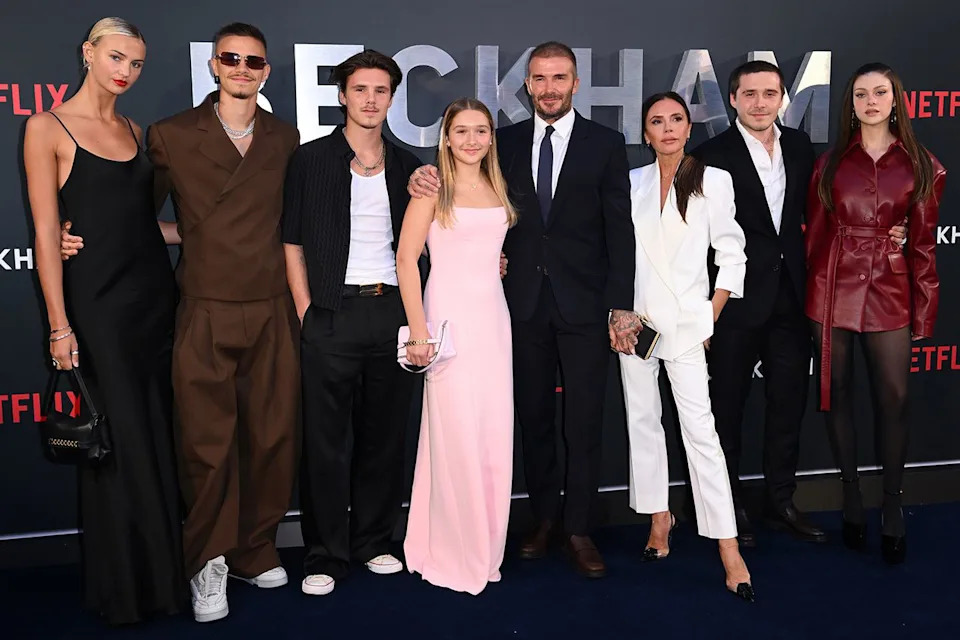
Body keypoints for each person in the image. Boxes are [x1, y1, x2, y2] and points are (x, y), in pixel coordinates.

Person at [60, 22, 301, 623]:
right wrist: (73, 236)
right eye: (231, 58)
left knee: (270, 437)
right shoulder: (169, 136)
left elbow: (302, 219)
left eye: (254, 61)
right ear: (214, 66)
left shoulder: (285, 137)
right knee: (206, 443)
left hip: (270, 305)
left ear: (266, 71)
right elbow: (136, 216)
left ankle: (254, 548)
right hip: (202, 305)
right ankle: (208, 560)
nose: (242, 68)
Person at [409, 42, 637, 578]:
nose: (550, 87)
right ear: (527, 85)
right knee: (533, 420)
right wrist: (419, 178)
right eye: (540, 78)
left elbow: (620, 232)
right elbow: (460, 193)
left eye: (560, 78)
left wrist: (620, 307)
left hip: (584, 309)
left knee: (582, 423)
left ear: (576, 83)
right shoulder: (500, 143)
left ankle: (579, 529)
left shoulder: (605, 144)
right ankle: (543, 520)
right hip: (519, 310)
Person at [690, 61, 905, 547]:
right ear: (733, 100)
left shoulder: (804, 148)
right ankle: (727, 509)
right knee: (726, 410)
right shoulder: (708, 155)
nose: (760, 103)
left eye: (770, 93)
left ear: (783, 97)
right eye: (750, 94)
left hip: (793, 298)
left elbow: (841, 208)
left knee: (787, 407)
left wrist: (896, 226)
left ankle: (781, 502)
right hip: (735, 304)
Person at [24, 17, 185, 624]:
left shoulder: (134, 129)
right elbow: (46, 232)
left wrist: (215, 233)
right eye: (116, 57)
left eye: (137, 63)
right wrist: (59, 327)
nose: (126, 71)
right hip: (98, 308)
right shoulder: (47, 126)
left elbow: (142, 225)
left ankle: (164, 579)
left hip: (155, 300)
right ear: (87, 53)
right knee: (115, 445)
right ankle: (126, 591)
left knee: (155, 433)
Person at [281, 50, 422, 597]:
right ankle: (323, 552)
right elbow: (291, 242)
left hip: (391, 313)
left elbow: (430, 243)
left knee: (383, 439)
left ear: (391, 98)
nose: (370, 100)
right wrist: (307, 313)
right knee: (325, 442)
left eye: (380, 91)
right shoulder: (311, 160)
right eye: (359, 89)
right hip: (331, 315)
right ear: (342, 95)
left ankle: (375, 542)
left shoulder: (411, 166)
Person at [805, 62, 945, 564]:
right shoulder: (829, 164)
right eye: (861, 94)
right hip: (832, 289)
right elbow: (815, 239)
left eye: (879, 92)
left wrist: (924, 315)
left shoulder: (922, 165)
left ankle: (891, 503)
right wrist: (814, 298)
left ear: (896, 99)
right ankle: (849, 497)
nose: (870, 101)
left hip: (891, 289)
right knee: (837, 396)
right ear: (851, 103)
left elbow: (924, 248)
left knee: (895, 400)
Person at [619, 92, 752, 601]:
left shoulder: (713, 180)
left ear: (689, 127)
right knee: (642, 423)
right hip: (635, 325)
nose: (668, 128)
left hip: (687, 325)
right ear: (645, 133)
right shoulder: (631, 182)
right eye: (657, 121)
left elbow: (732, 251)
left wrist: (709, 316)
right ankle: (659, 518)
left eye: (676, 119)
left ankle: (728, 547)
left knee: (702, 433)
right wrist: (620, 313)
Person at [397, 97, 517, 595]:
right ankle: (450, 548)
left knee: (491, 436)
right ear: (446, 137)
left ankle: (486, 546)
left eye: (481, 131)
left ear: (491, 137)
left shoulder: (498, 184)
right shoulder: (432, 187)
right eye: (461, 131)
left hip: (494, 321)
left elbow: (490, 250)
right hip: (447, 323)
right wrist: (419, 331)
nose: (472, 140)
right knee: (453, 437)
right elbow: (405, 260)